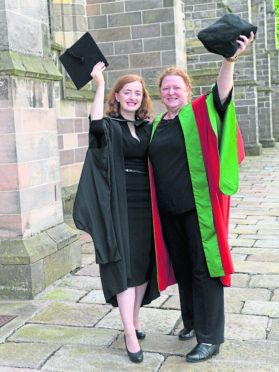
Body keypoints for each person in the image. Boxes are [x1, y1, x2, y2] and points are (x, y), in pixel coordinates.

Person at [148, 32, 254, 363]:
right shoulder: (157, 124)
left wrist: (229, 59)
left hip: (197, 209)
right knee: (183, 268)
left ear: (187, 91)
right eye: (165, 87)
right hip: (168, 212)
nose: (170, 92)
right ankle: (192, 323)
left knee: (204, 270)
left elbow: (222, 95)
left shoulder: (197, 112)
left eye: (176, 87)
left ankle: (210, 338)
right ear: (160, 93)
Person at [73, 62, 159, 364]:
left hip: (147, 205)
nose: (133, 97)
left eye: (138, 93)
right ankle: (129, 333)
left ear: (142, 98)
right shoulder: (109, 125)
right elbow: (94, 126)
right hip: (119, 204)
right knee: (122, 265)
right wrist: (98, 85)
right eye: (127, 92)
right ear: (118, 96)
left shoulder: (148, 127)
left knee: (143, 264)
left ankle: (134, 318)